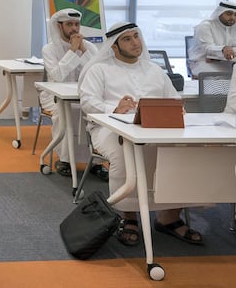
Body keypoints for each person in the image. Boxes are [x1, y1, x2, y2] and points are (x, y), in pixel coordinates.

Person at [79, 22, 203, 247]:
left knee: (184, 152)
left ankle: (169, 217)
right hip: (109, 128)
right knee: (125, 152)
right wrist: (114, 108)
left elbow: (173, 97)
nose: (136, 42)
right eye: (127, 39)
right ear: (114, 47)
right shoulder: (99, 69)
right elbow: (87, 102)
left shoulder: (154, 69)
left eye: (136, 36)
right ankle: (129, 217)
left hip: (156, 127)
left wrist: (177, 108)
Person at [38, 8, 105, 180]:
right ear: (59, 27)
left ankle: (96, 161)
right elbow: (58, 76)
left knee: (96, 113)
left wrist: (83, 51)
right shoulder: (49, 49)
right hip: (54, 96)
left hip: (84, 94)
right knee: (66, 113)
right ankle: (65, 160)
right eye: (69, 25)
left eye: (77, 24)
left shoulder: (88, 47)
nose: (74, 29)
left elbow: (98, 73)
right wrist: (72, 52)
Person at [189, 1, 236, 77]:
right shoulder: (205, 26)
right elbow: (207, 49)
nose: (232, 18)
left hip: (227, 62)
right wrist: (223, 49)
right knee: (217, 80)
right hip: (203, 62)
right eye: (229, 14)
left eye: (235, 15)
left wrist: (228, 51)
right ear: (220, 12)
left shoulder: (234, 27)